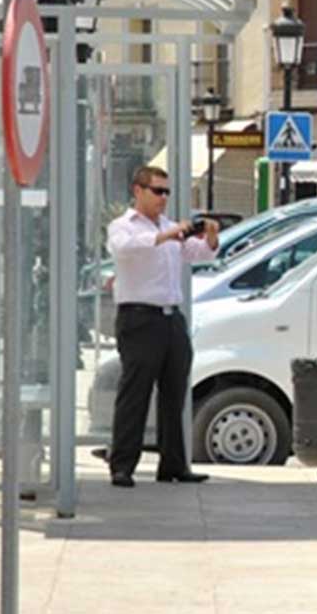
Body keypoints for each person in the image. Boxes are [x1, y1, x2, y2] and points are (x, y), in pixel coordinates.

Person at [105, 166, 218, 488]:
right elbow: (125, 248)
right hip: (139, 317)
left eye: (167, 192)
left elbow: (197, 253)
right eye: (157, 191)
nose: (163, 198)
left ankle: (173, 464)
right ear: (138, 191)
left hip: (171, 317)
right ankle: (122, 464)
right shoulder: (123, 226)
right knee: (135, 393)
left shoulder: (169, 227)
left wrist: (210, 236)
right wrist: (167, 234)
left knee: (175, 393)